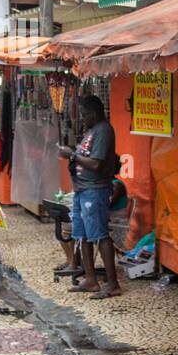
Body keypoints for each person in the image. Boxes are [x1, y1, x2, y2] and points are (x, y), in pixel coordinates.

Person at [58, 94, 121, 298]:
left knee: (100, 236)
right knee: (82, 235)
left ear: (94, 113)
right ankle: (91, 280)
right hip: (82, 190)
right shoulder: (92, 130)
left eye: (84, 115)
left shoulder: (103, 130)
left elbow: (96, 164)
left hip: (95, 190)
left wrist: (73, 155)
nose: (82, 119)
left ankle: (112, 284)